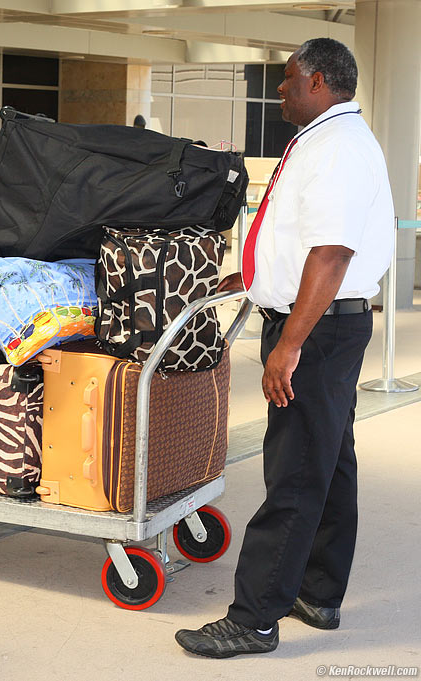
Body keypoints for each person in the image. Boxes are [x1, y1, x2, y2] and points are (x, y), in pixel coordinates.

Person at [174, 37, 394, 658]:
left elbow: (330, 254)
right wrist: (249, 276)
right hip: (320, 322)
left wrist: (288, 345)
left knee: (294, 472)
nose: (280, 91)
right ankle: (317, 593)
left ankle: (254, 618)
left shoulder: (338, 148)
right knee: (330, 462)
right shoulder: (326, 139)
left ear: (320, 82)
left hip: (317, 330)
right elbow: (300, 240)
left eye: (289, 81)